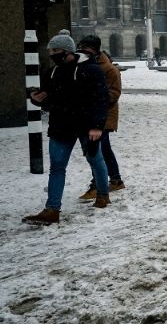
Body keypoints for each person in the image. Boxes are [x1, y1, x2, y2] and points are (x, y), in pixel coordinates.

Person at [23, 31, 111, 225]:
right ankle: (52, 210)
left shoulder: (91, 70)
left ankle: (103, 195)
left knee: (95, 160)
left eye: (56, 50)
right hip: (61, 127)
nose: (52, 54)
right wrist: (37, 100)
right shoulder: (52, 72)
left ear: (68, 51)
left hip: (87, 126)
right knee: (57, 167)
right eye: (51, 51)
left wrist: (97, 126)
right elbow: (49, 99)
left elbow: (101, 100)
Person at [76, 35, 125, 201]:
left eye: (85, 48)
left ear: (94, 50)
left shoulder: (109, 69)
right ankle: (116, 179)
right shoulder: (82, 65)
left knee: (95, 151)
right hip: (90, 114)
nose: (82, 51)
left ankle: (97, 185)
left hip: (104, 115)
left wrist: (96, 98)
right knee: (104, 150)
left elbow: (115, 93)